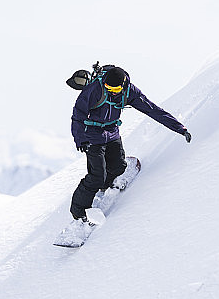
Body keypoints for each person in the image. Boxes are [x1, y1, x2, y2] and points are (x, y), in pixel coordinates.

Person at [70, 65, 191, 221]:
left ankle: (104, 187)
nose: (111, 92)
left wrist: (180, 128)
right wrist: (81, 139)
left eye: (115, 89)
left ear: (123, 85)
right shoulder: (96, 89)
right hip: (92, 135)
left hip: (112, 131)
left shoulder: (129, 92)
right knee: (96, 175)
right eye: (108, 88)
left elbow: (153, 110)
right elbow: (78, 114)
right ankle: (79, 213)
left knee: (119, 167)